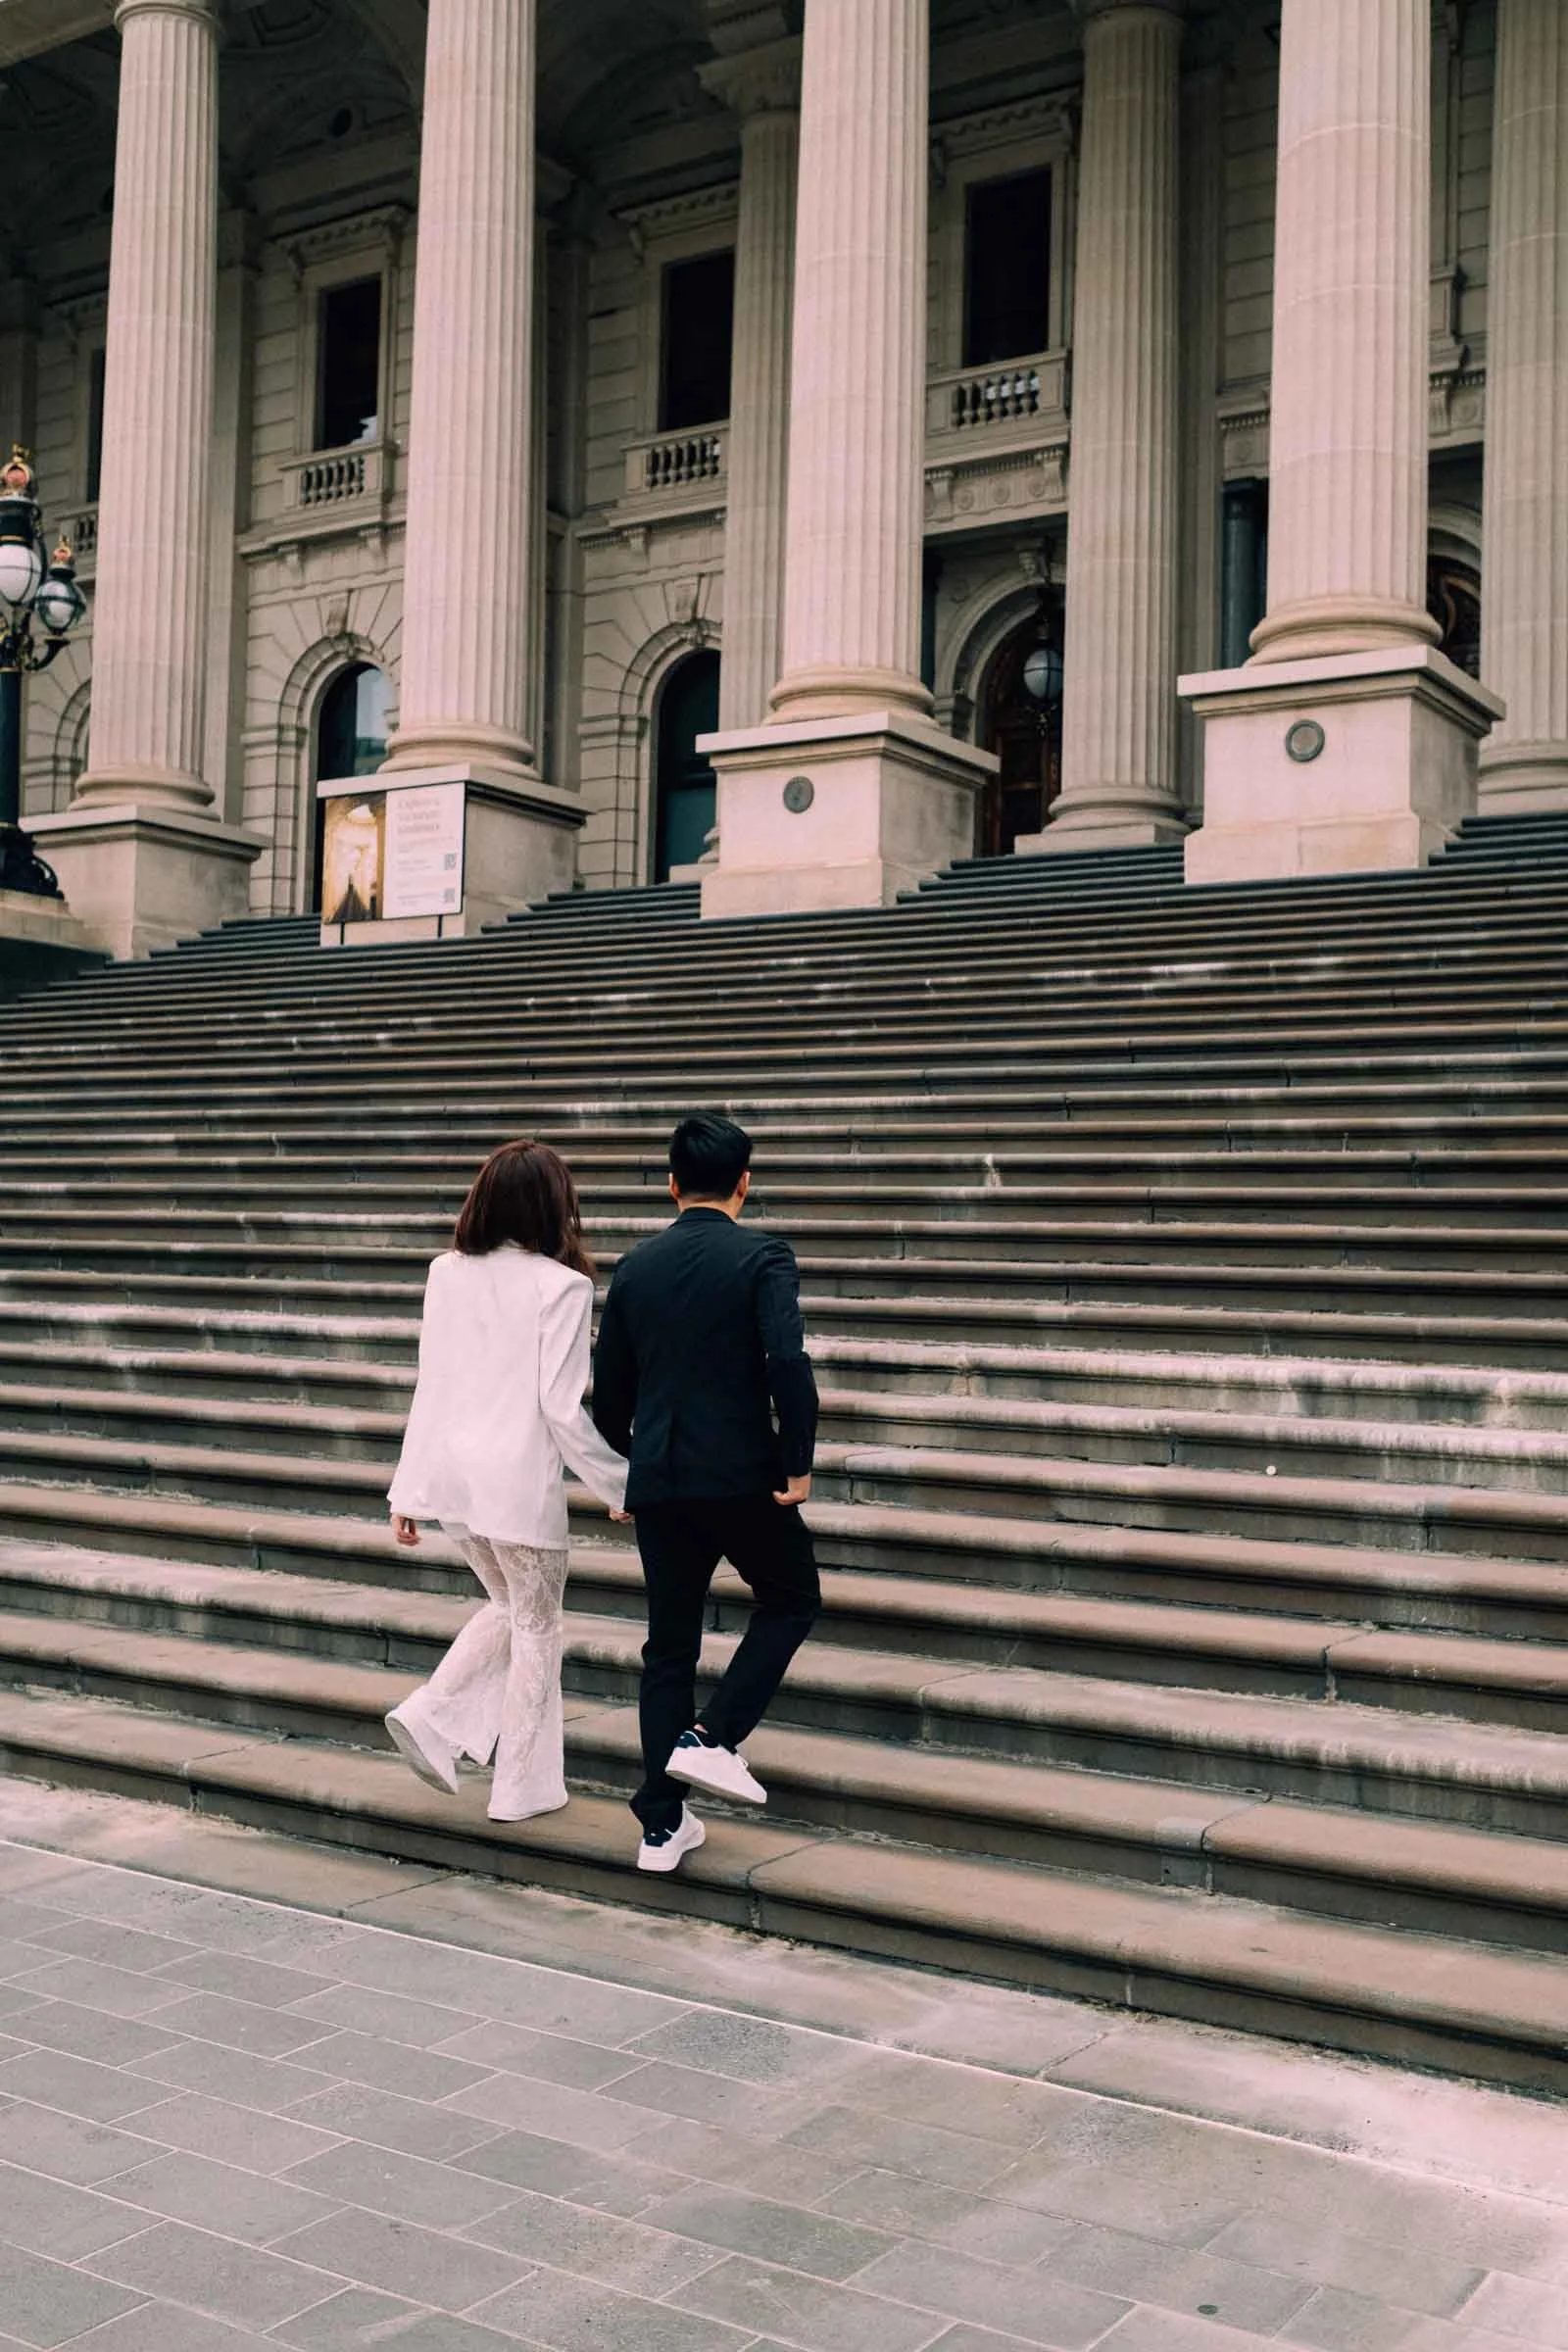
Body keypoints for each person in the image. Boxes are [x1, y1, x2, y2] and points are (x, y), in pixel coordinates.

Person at [592, 1111, 820, 1874]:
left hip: (660, 1480)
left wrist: (634, 1463)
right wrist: (797, 1461)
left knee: (669, 1648)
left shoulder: (636, 1266)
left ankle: (660, 1826)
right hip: (742, 1475)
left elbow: (611, 1392)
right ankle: (714, 1737)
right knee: (791, 1598)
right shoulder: (763, 1256)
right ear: (744, 1184)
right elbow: (787, 1363)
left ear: (671, 1185)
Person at [383, 1139, 630, 1823]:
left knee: (510, 1610)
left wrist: (408, 1490)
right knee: (538, 1626)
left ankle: (433, 1717)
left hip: (456, 1483)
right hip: (516, 1484)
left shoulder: (445, 1272)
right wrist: (620, 1483)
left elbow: (430, 1385)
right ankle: (519, 1785)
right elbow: (560, 1408)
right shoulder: (564, 1286)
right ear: (556, 1206)